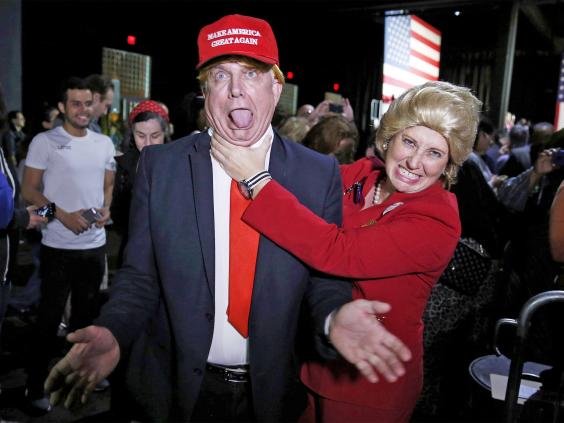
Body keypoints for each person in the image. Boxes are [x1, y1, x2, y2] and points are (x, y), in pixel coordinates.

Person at [44, 14, 411, 423]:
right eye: (220, 75)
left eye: (251, 73)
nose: (235, 89)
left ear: (275, 88)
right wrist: (113, 329)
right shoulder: (161, 167)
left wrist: (333, 316)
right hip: (175, 391)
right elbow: (140, 277)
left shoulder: (316, 173)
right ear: (205, 93)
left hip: (270, 395)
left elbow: (322, 279)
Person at [211, 80, 482, 422]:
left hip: (369, 384)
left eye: (434, 153)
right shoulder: (364, 176)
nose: (415, 162)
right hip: (313, 359)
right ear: (390, 137)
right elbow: (304, 183)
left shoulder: (436, 219)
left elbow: (335, 251)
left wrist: (257, 182)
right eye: (409, 142)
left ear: (448, 163)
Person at [21, 76, 116, 411]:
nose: (82, 109)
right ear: (62, 107)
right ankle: (35, 386)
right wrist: (59, 213)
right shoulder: (45, 142)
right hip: (58, 248)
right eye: (75, 103)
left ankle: (77, 375)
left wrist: (106, 208)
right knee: (48, 320)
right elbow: (29, 191)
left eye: (87, 103)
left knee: (87, 319)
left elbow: (107, 183)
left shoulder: (103, 143)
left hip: (94, 245)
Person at [112, 99, 170, 267]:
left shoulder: (177, 162)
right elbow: (117, 211)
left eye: (155, 136)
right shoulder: (124, 164)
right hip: (132, 247)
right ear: (131, 133)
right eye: (141, 136)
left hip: (166, 251)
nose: (148, 144)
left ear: (165, 132)